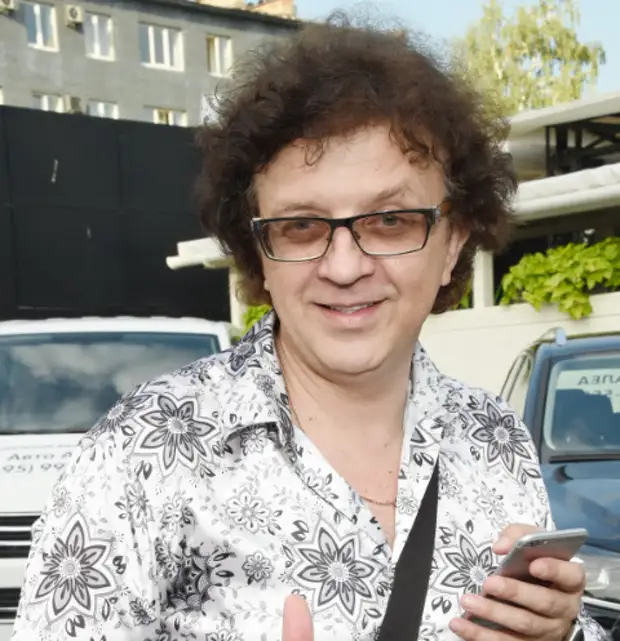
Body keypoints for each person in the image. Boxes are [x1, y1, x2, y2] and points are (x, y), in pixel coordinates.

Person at [11, 12, 606, 641]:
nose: (345, 267)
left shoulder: (496, 440)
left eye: (391, 220)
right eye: (300, 225)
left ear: (453, 241)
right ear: (258, 251)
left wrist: (560, 633)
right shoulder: (144, 452)